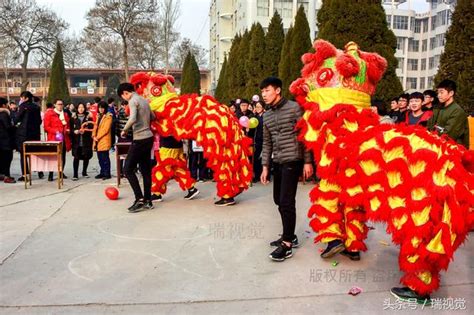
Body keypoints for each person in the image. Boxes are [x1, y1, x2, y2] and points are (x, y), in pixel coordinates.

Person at [260, 77, 313, 262]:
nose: (264, 94)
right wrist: (265, 166)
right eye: (262, 92)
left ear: (278, 90)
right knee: (278, 200)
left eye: (267, 90)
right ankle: (290, 234)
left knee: (286, 201)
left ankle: (288, 244)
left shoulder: (294, 108)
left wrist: (308, 162)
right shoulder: (266, 115)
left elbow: (304, 134)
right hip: (278, 161)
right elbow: (266, 143)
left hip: (293, 159)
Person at [118, 82, 155, 213]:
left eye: (123, 97)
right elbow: (153, 117)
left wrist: (124, 129)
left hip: (139, 138)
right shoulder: (144, 100)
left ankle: (139, 199)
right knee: (145, 171)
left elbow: (133, 118)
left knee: (127, 169)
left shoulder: (133, 101)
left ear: (125, 93)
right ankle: (148, 200)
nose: (124, 99)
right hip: (149, 137)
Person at [151, 135, 200, 202]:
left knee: (160, 169)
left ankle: (157, 194)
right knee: (177, 169)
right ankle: (191, 189)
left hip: (168, 146)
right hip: (177, 145)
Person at [427, 79, 468, 147]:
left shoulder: (457, 111)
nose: (439, 95)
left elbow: (448, 135)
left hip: (453, 148)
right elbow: (429, 126)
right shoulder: (437, 108)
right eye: (438, 92)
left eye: (441, 92)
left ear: (451, 93)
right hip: (436, 143)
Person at [15, 91, 42, 181]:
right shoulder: (37, 107)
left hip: (24, 134)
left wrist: (14, 124)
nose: (21, 99)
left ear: (26, 98)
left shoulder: (23, 106)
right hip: (35, 134)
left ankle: (25, 175)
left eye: (21, 98)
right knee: (36, 153)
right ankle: (40, 171)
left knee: (23, 154)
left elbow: (17, 118)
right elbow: (39, 121)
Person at [43, 99, 71, 181]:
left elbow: (67, 125)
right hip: (53, 138)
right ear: (54, 105)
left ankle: (60, 172)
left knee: (63, 157)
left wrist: (67, 130)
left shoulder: (65, 114)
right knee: (53, 157)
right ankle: (50, 174)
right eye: (58, 104)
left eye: (62, 104)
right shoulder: (49, 114)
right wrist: (56, 131)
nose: (60, 106)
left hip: (64, 138)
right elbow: (46, 127)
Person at [70, 103, 94, 180]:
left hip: (86, 140)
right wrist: (74, 131)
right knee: (76, 157)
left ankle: (84, 172)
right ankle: (75, 174)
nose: (81, 109)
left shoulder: (88, 118)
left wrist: (85, 131)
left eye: (82, 107)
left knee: (86, 157)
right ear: (77, 108)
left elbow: (92, 128)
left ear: (84, 108)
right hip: (76, 141)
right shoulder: (73, 118)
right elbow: (70, 129)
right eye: (79, 107)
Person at [93, 101, 113, 180]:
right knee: (100, 158)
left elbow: (105, 129)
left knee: (105, 158)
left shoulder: (109, 116)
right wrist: (93, 135)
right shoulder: (98, 116)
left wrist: (97, 137)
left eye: (102, 108)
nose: (101, 109)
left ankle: (107, 173)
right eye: (100, 108)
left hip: (103, 139)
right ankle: (102, 172)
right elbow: (95, 127)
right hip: (97, 139)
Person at [0, 97, 16, 183]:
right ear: (4, 105)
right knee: (7, 158)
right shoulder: (4, 114)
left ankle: (1, 174)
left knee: (1, 158)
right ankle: (7, 176)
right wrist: (15, 127)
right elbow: (8, 127)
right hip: (5, 140)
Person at [116, 100, 132, 177]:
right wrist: (119, 134)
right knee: (121, 156)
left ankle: (125, 171)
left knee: (127, 156)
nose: (125, 107)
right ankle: (121, 172)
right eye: (124, 105)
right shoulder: (120, 114)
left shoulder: (132, 113)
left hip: (127, 137)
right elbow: (116, 126)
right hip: (124, 138)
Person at [253, 101, 265, 182]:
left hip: (265, 140)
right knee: (256, 158)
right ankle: (257, 176)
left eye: (259, 107)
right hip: (256, 140)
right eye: (256, 107)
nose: (258, 108)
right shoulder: (254, 117)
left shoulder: (266, 116)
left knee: (264, 159)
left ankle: (264, 176)